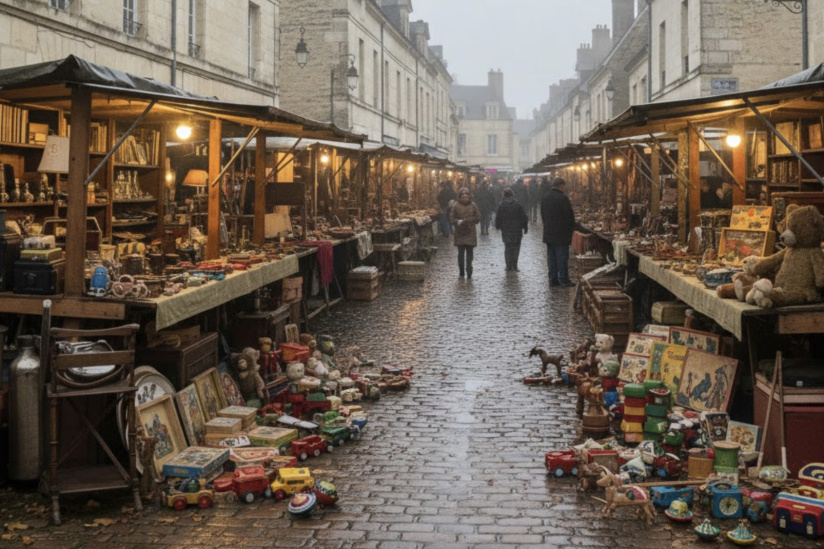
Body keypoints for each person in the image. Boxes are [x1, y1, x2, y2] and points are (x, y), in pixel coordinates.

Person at [541, 177, 575, 287]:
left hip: (549, 233)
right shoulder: (563, 198)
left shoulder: (545, 197)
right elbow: (569, 216)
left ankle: (553, 279)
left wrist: (547, 226)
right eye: (564, 186)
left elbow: (543, 215)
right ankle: (564, 280)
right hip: (561, 233)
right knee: (562, 258)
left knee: (551, 258)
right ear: (561, 186)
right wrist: (572, 228)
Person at [495, 187, 528, 271]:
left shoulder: (502, 206)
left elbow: (498, 218)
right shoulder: (518, 205)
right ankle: (514, 265)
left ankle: (508, 265)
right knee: (516, 248)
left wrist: (498, 226)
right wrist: (525, 227)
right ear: (512, 195)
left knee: (508, 247)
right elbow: (524, 217)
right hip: (517, 230)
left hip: (506, 230)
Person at [450, 187, 480, 278]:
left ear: (469, 196)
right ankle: (461, 271)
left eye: (466, 196)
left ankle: (469, 270)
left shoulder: (473, 205)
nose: (464, 197)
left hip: (470, 232)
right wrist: (457, 221)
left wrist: (467, 220)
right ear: (460, 197)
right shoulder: (456, 206)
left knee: (469, 253)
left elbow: (478, 217)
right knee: (461, 254)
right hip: (460, 233)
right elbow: (451, 218)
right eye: (462, 196)